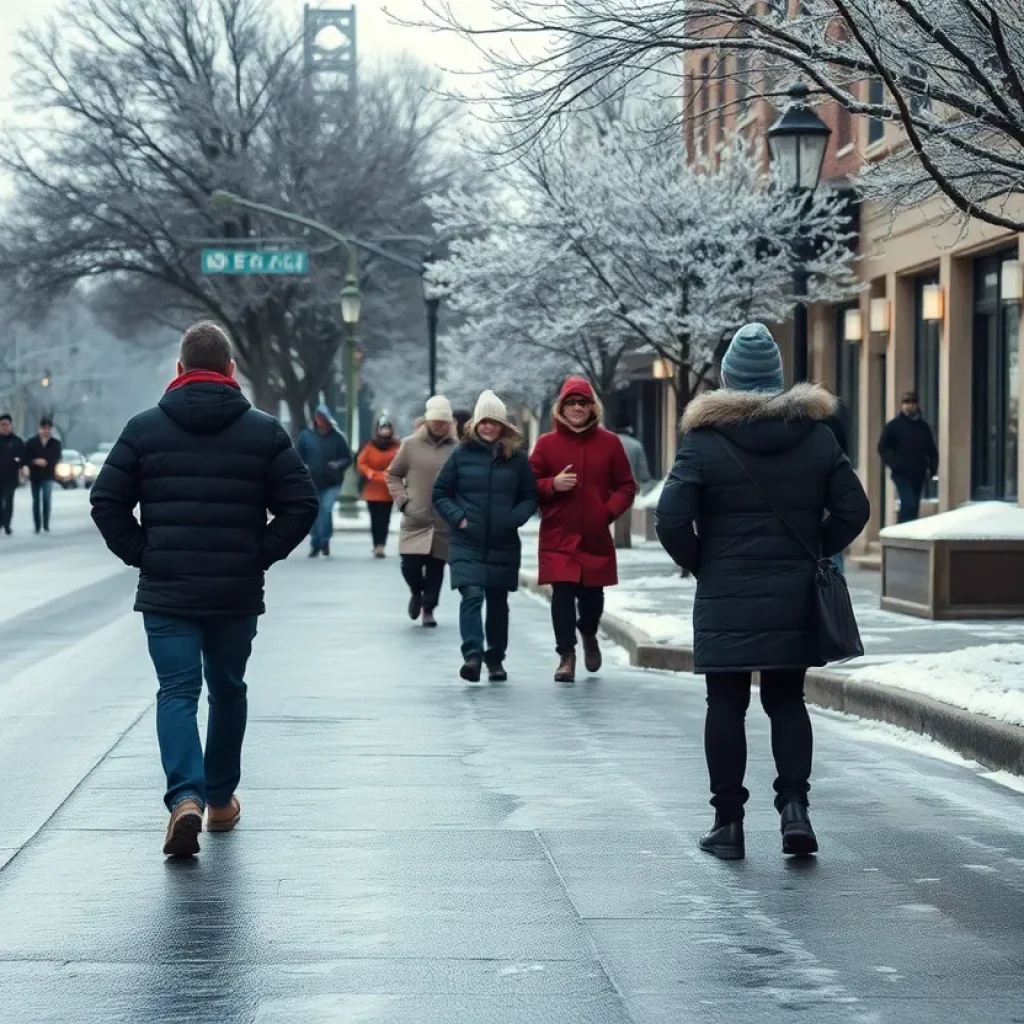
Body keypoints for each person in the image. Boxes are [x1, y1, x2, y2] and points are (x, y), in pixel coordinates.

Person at [90, 321, 317, 858]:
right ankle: (218, 801)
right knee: (228, 688)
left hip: (167, 589)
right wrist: (257, 554)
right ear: (231, 370)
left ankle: (184, 797)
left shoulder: (144, 429)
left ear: (179, 369)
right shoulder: (263, 431)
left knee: (177, 691)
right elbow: (300, 504)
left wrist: (143, 553)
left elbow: (107, 501)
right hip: (235, 590)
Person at [655, 323, 870, 862]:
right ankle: (794, 810)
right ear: (776, 381)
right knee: (786, 700)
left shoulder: (703, 442)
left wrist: (704, 562)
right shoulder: (818, 437)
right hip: (794, 589)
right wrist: (814, 549)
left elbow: (670, 519)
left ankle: (729, 825)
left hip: (726, 591)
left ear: (728, 379)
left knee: (725, 702)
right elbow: (855, 508)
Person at [529, 377, 638, 683]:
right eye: (571, 403)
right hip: (558, 534)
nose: (577, 408)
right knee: (562, 593)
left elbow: (626, 486)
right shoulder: (546, 444)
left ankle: (588, 631)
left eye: (583, 402)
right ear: (561, 407)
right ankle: (567, 655)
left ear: (593, 407)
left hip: (594, 535)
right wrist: (552, 485)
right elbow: (528, 485)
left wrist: (607, 511)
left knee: (592, 599)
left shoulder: (610, 443)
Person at [432, 390, 538, 682]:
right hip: (467, 541)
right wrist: (459, 518)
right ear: (476, 424)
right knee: (472, 595)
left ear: (503, 425)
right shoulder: (461, 454)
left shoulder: (516, 459)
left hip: (503, 542)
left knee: (498, 601)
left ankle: (495, 658)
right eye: (484, 422)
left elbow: (530, 496)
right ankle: (473, 656)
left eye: (494, 422)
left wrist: (513, 519)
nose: (489, 427)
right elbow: (441, 494)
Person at [386, 396, 459, 628]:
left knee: (436, 567)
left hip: (443, 518)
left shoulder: (457, 449)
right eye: (436, 420)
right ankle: (416, 591)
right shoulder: (410, 445)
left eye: (444, 421)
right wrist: (402, 499)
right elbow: (393, 474)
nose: (439, 425)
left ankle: (429, 609)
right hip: (415, 515)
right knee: (410, 564)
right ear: (427, 420)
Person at [296, 404, 352, 557]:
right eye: (319, 418)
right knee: (315, 512)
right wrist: (304, 467)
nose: (322, 422)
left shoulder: (337, 437)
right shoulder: (305, 436)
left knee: (326, 510)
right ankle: (316, 542)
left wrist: (338, 464)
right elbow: (296, 456)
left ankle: (325, 540)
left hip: (331, 481)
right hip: (311, 481)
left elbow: (347, 458)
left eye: (324, 419)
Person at [878, 390, 939, 524]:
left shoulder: (923, 427)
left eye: (912, 402)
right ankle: (901, 534)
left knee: (913, 507)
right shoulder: (894, 426)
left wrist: (932, 469)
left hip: (918, 474)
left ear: (917, 405)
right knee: (909, 503)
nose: (909, 406)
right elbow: (882, 447)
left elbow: (932, 451)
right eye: (906, 402)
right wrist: (895, 464)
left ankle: (904, 533)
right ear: (902, 405)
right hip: (901, 474)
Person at [357, 414, 401, 557]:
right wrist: (369, 472)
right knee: (374, 518)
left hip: (388, 488)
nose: (384, 431)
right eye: (382, 428)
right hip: (372, 488)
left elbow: (401, 461)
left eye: (387, 428)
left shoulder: (397, 446)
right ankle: (376, 544)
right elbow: (361, 462)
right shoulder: (370, 446)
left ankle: (381, 544)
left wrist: (389, 474)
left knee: (385, 518)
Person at [612, 412, 651, 548]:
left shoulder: (610, 442)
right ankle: (625, 540)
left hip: (611, 484)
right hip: (629, 484)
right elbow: (642, 467)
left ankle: (617, 540)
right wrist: (644, 479)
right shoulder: (636, 445)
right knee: (626, 512)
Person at [23, 417, 62, 534]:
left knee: (46, 499)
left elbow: (56, 457)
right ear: (39, 429)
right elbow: (26, 458)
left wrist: (47, 462)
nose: (46, 431)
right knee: (36, 501)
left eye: (48, 429)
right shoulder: (31, 442)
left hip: (48, 475)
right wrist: (35, 461)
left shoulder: (55, 443)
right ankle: (37, 525)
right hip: (35, 475)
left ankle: (46, 524)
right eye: (44, 429)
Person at [0, 413, 25, 536]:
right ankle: (1, 521)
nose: (5, 427)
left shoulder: (17, 441)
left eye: (7, 425)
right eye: (2, 425)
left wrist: (20, 464)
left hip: (11, 476)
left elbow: (23, 457)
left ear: (11, 425)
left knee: (9, 500)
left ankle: (7, 524)